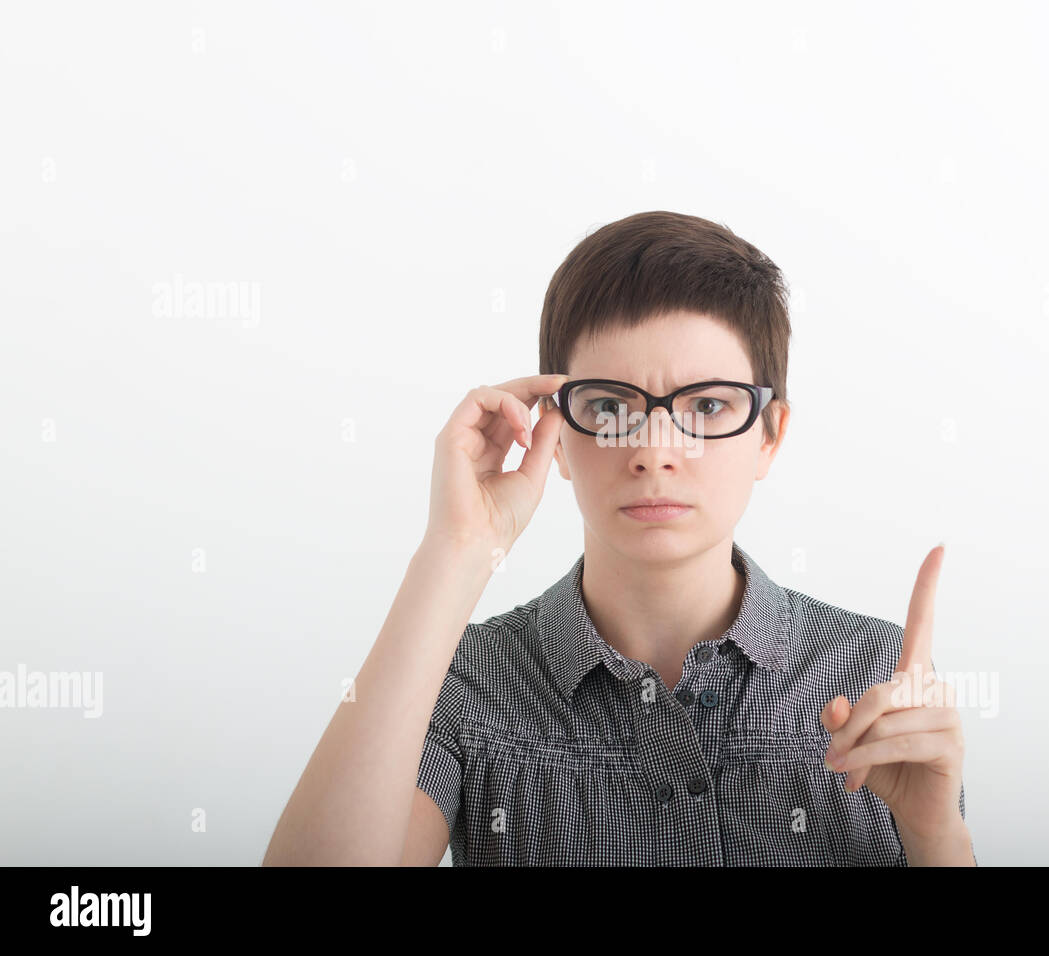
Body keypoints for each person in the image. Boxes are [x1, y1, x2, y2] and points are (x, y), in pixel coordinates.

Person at [262, 210, 975, 866]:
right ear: (556, 436)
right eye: (608, 407)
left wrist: (935, 834)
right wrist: (455, 551)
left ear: (769, 436)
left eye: (706, 406)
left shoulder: (874, 677)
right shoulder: (467, 686)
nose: (655, 450)